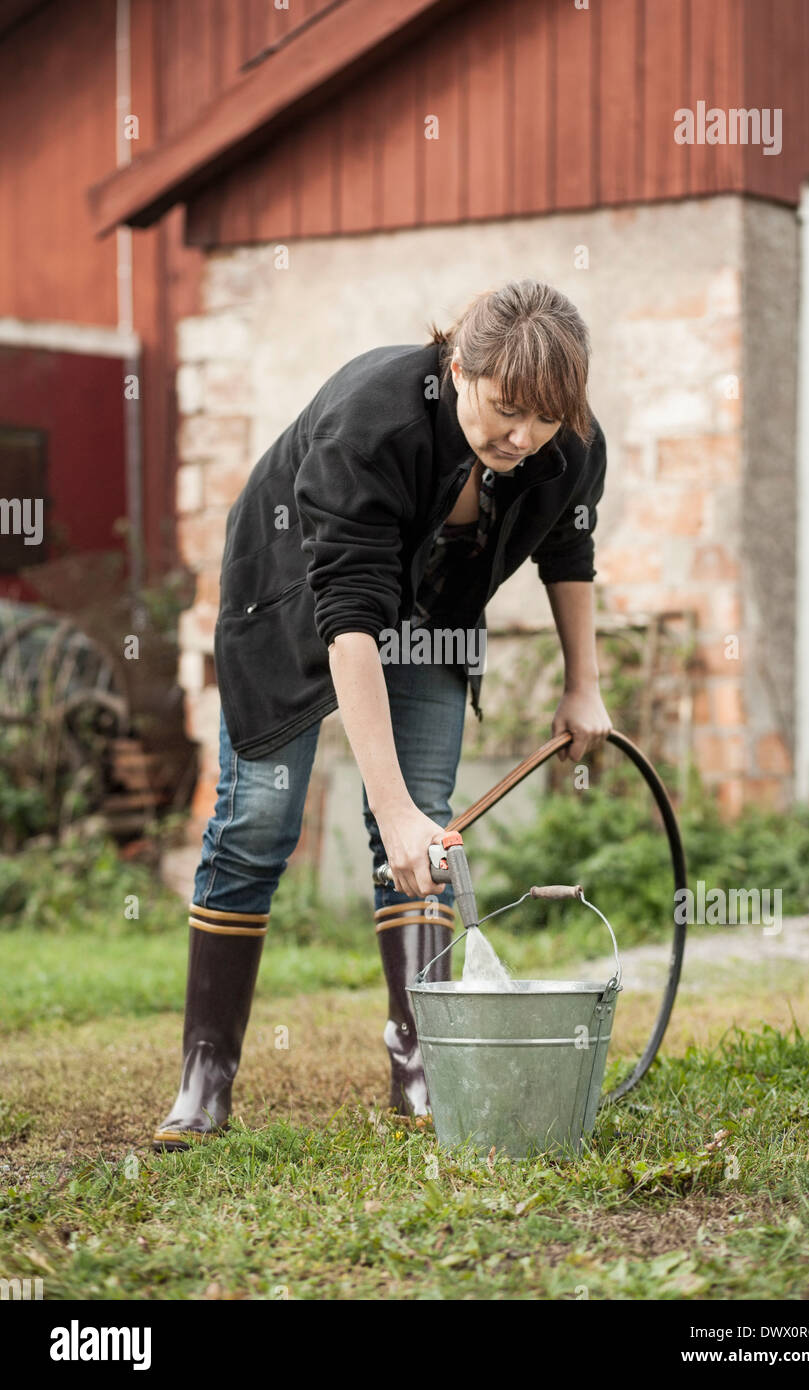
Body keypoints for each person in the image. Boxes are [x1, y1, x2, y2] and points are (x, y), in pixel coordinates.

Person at [153, 278, 612, 1150]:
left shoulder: (567, 444)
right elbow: (351, 620)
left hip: (434, 616)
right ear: (456, 363)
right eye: (504, 410)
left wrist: (582, 681)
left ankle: (418, 1060)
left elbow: (568, 545)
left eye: (544, 419)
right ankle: (205, 1074)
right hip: (294, 602)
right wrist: (388, 806)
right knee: (258, 822)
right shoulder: (375, 422)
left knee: (424, 838)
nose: (523, 437)